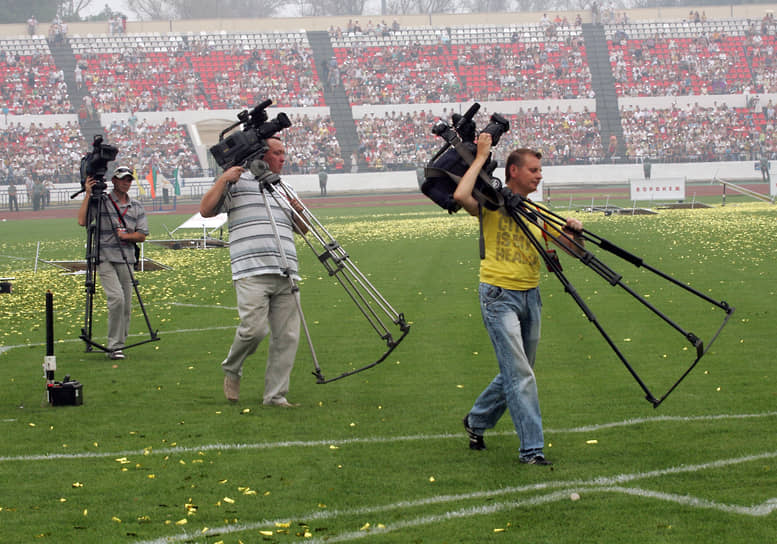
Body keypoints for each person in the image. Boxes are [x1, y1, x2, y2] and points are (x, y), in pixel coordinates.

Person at [453, 133, 584, 466]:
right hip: (498, 295)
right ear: (513, 171)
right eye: (534, 170)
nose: (540, 175)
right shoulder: (492, 203)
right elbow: (460, 195)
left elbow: (570, 249)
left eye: (540, 170)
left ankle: (476, 421)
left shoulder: (536, 211)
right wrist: (481, 156)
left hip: (531, 295)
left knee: (518, 371)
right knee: (521, 374)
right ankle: (532, 450)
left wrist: (575, 232)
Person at [200, 137, 308, 408]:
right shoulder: (237, 182)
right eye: (277, 153)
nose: (283, 158)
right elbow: (206, 209)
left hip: (286, 270)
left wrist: (298, 210)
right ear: (262, 155)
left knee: (287, 337)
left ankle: (275, 396)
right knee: (253, 330)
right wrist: (224, 179)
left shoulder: (284, 186)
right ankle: (232, 368)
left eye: (285, 153)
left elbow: (303, 228)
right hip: (250, 269)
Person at [77, 166, 148, 360]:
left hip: (126, 257)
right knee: (116, 299)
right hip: (105, 257)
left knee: (126, 304)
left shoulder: (136, 206)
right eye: (122, 179)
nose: (126, 182)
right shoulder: (102, 202)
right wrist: (88, 194)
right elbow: (83, 221)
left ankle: (119, 344)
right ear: (113, 181)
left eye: (129, 180)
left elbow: (141, 235)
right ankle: (114, 346)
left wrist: (126, 236)